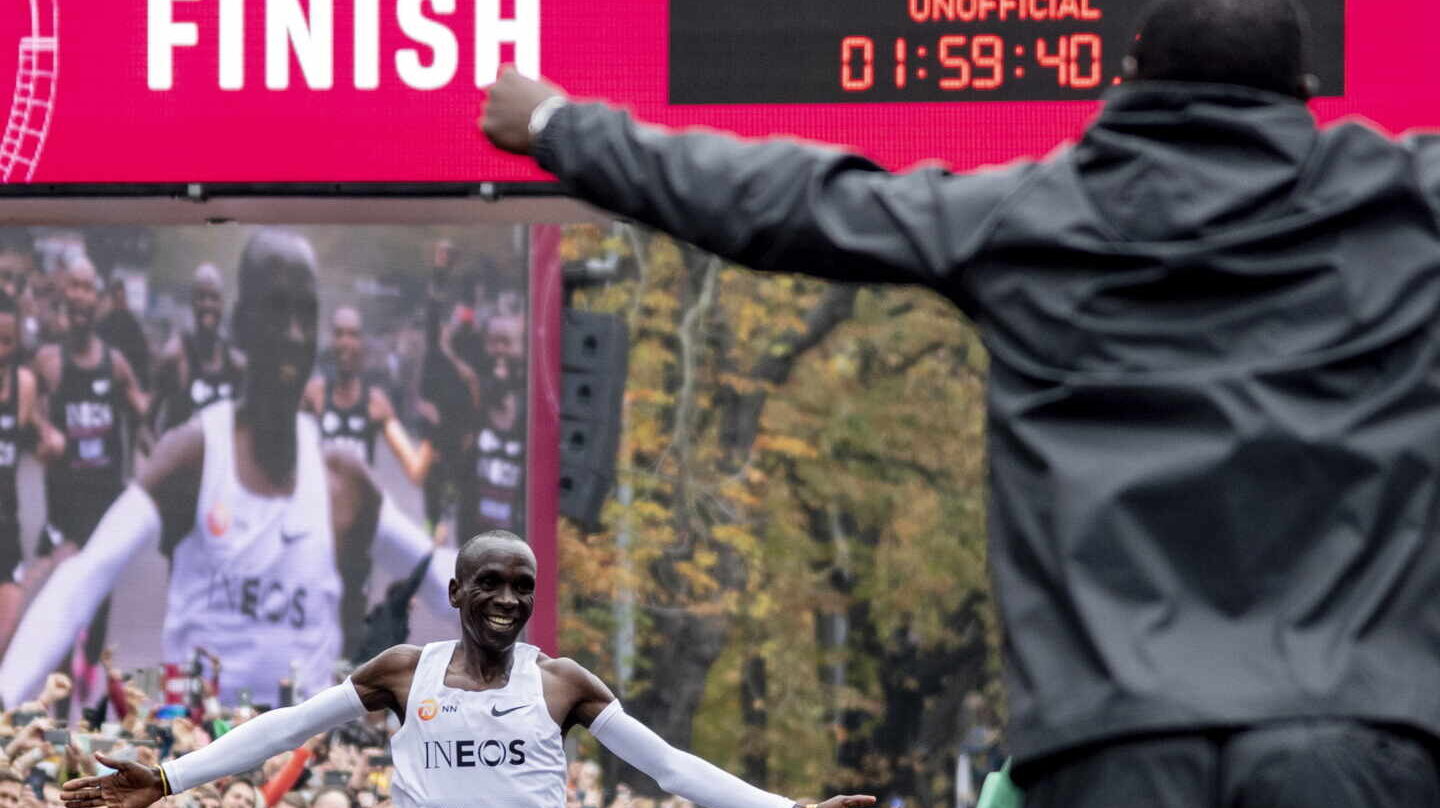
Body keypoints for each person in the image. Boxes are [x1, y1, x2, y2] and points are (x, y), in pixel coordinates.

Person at [480, 0, 1440, 803]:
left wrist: (565, 127)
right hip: (1355, 729)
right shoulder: (1406, 203)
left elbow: (787, 199)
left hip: (1114, 741)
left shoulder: (1033, 214)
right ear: (1307, 95)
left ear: (1128, 77)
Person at [60, 531, 875, 808]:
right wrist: (169, 778)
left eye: (524, 586)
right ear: (454, 591)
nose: (508, 599)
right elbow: (288, 726)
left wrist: (789, 806)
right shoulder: (402, 671)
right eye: (491, 582)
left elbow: (669, 768)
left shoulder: (563, 684)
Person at [0, 228, 457, 708]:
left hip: (303, 765)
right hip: (199, 758)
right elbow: (86, 575)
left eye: (306, 316)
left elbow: (440, 580)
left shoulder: (342, 481)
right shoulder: (196, 456)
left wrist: (506, 610)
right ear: (241, 327)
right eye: (276, 312)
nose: (294, 335)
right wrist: (7, 693)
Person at [30, 253, 150, 701]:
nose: (80, 296)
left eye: (88, 288)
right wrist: (42, 434)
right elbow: (30, 420)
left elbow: (142, 417)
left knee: (97, 624)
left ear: (98, 300)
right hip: (63, 513)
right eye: (74, 287)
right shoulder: (48, 362)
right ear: (65, 295)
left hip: (105, 515)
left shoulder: (115, 364)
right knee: (57, 619)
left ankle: (86, 709)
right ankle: (57, 719)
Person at [0, 292, 64, 659]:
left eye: (8, 342)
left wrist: (51, 442)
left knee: (7, 639)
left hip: (7, 530)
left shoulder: (23, 384)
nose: (1, 350)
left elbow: (37, 438)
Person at [304, 306, 425, 477]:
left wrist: (433, 437)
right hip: (320, 501)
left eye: (353, 335)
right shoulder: (313, 393)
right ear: (331, 341)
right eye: (339, 334)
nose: (346, 342)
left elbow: (415, 467)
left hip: (358, 502)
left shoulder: (376, 403)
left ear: (362, 342)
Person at [151, 264, 245, 434]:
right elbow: (147, 424)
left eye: (214, 298)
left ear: (222, 304)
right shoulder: (174, 356)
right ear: (192, 302)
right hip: (184, 457)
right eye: (201, 297)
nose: (207, 304)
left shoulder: (234, 363)